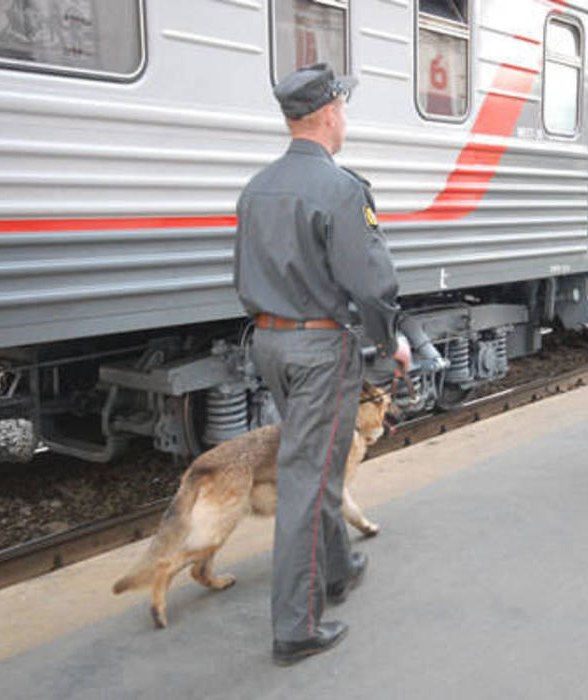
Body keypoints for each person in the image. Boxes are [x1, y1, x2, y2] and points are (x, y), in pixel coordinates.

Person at [233, 63, 410, 665]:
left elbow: (242, 275)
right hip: (318, 351)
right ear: (331, 113)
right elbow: (372, 284)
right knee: (308, 477)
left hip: (271, 343)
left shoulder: (256, 188)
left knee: (320, 457)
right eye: (344, 108)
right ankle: (295, 627)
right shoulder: (341, 189)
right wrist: (390, 345)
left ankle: (337, 568)